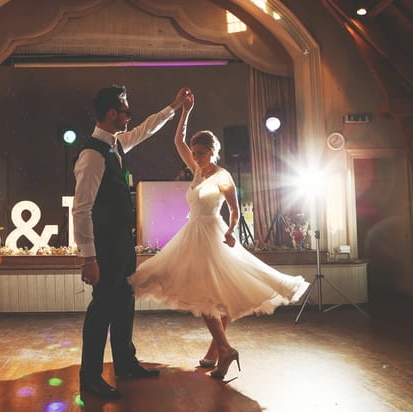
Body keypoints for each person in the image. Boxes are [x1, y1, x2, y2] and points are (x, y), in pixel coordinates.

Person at [129, 92, 310, 379]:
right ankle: (217, 352)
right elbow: (177, 141)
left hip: (211, 235)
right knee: (214, 299)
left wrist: (230, 231)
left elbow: (234, 211)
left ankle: (224, 350)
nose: (196, 157)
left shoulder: (222, 176)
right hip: (193, 234)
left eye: (200, 153)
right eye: (194, 152)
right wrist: (186, 111)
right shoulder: (196, 172)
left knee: (207, 299)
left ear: (213, 152)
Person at [72, 85, 191, 399]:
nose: (129, 116)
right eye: (125, 110)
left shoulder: (115, 145)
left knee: (124, 303)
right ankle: (90, 380)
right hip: (104, 248)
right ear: (112, 114)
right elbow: (81, 208)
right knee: (101, 311)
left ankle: (124, 362)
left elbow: (145, 129)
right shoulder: (92, 154)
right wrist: (88, 258)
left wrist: (173, 107)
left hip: (121, 244)